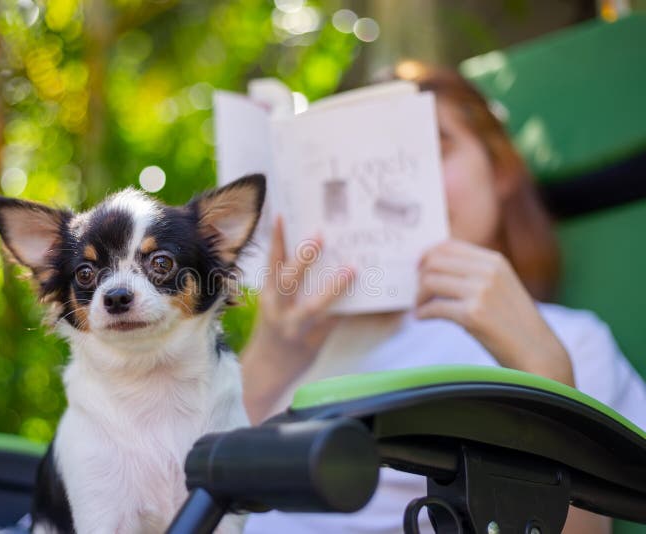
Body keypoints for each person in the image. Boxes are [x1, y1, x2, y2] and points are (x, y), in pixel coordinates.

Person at [240, 61, 646, 534]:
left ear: (499, 170)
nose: (405, 185)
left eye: (435, 149)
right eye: (379, 164)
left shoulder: (568, 341)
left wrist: (547, 380)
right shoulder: (298, 344)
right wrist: (269, 359)